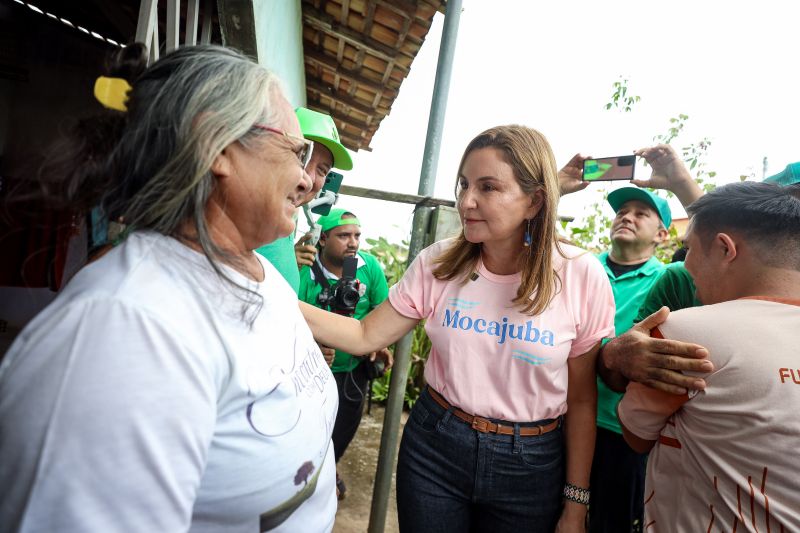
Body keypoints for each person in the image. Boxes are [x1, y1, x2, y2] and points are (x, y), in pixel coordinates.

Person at [0, 44, 338, 532]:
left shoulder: (257, 274)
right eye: (295, 151)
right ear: (217, 145)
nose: (307, 180)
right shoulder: (128, 331)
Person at [303, 125, 616, 532]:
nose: (467, 201)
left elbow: (581, 400)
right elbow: (365, 335)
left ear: (535, 201)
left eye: (488, 187)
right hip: (436, 446)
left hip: (530, 464)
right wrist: (270, 294)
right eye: (464, 184)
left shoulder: (578, 274)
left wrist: (576, 505)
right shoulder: (440, 264)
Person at [618, 182, 800, 531]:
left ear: (724, 248)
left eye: (688, 249)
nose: (684, 266)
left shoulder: (686, 334)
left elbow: (635, 434)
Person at [558, 144, 709, 532]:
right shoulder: (582, 269)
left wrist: (682, 184)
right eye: (622, 212)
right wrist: (555, 187)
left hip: (622, 430)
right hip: (565, 419)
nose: (627, 217)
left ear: (663, 233)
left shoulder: (670, 281)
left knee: (611, 522)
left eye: (641, 213)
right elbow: (531, 235)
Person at [297, 207, 392, 499]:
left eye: (357, 235)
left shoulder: (368, 267)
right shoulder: (304, 270)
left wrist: (378, 342)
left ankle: (330, 468)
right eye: (343, 235)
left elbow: (383, 309)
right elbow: (288, 314)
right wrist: (312, 346)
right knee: (306, 427)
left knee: (344, 427)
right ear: (323, 239)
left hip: (351, 370)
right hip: (310, 371)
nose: (353, 242)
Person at [255, 107, 353, 292]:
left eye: (322, 170)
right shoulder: (242, 223)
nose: (308, 179)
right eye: (301, 155)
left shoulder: (285, 225)